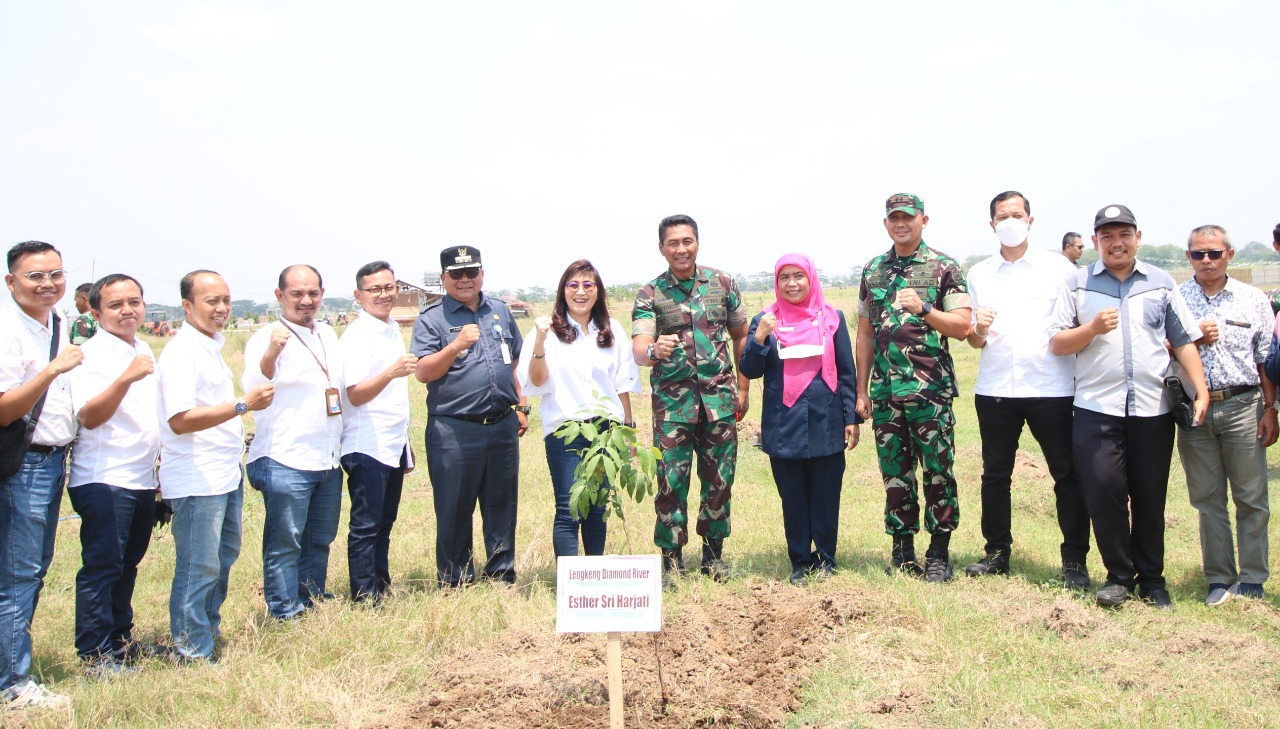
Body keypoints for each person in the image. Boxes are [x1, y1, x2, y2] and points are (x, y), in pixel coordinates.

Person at [1050, 204, 1209, 609]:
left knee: (1150, 496)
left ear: (1138, 237)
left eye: (1124, 235)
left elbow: (1184, 340)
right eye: (1107, 236)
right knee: (1104, 492)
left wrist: (1201, 390)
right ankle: (1119, 575)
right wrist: (1090, 329)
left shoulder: (1160, 282)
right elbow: (1057, 343)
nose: (1116, 243)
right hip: (1096, 407)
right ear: (1096, 241)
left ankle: (1153, 581)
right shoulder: (1078, 283)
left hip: (1152, 409)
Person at [963, 192, 1092, 588]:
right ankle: (997, 553)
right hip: (996, 388)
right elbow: (974, 340)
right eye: (1003, 217)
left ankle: (1074, 561)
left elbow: (1078, 325)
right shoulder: (980, 274)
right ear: (992, 225)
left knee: (1067, 475)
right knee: (995, 475)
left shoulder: (1061, 269)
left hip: (1052, 387)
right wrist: (979, 329)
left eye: (1017, 215)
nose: (1010, 221)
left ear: (1031, 220)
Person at [856, 193, 972, 582]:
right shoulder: (873, 270)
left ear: (924, 220)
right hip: (886, 393)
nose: (900, 223)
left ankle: (939, 551)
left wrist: (924, 309)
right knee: (895, 473)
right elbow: (866, 334)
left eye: (908, 217)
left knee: (938, 471)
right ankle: (902, 549)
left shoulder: (944, 267)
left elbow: (962, 327)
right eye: (893, 218)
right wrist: (861, 390)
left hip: (930, 391)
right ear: (885, 223)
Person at [158, 270, 272, 661]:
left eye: (225, 300)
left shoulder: (209, 346)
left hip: (223, 473)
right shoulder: (181, 352)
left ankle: (206, 632)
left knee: (222, 559)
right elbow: (180, 419)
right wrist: (243, 405)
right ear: (187, 306)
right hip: (196, 476)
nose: (221, 308)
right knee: (198, 565)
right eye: (211, 301)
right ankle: (191, 650)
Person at [631, 214, 749, 582]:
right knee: (670, 482)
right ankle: (671, 561)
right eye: (673, 243)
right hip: (673, 407)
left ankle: (713, 557)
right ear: (661, 248)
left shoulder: (722, 283)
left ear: (697, 242)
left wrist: (743, 388)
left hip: (719, 403)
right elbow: (639, 347)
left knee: (719, 481)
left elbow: (741, 334)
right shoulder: (650, 293)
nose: (681, 249)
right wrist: (653, 350)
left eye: (687, 241)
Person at [411, 246, 529, 587]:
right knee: (453, 508)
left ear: (481, 274)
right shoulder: (432, 319)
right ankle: (455, 581)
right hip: (455, 428)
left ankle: (500, 575)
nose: (465, 280)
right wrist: (454, 346)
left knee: (502, 506)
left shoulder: (500, 311)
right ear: (444, 277)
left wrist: (520, 407)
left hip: (502, 425)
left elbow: (514, 363)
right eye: (456, 274)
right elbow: (423, 372)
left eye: (471, 272)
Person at [739, 253, 860, 585]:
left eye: (798, 276)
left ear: (811, 279)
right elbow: (749, 369)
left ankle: (826, 558)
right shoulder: (765, 320)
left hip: (827, 419)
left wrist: (851, 417)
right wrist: (760, 338)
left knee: (826, 492)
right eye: (784, 278)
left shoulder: (832, 318)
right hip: (783, 423)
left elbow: (847, 371)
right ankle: (800, 561)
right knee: (792, 496)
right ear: (776, 283)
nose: (792, 284)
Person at [1176, 225, 1276, 606]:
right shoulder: (1177, 298)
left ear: (1229, 255)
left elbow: (1265, 358)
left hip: (1243, 405)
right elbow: (1161, 348)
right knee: (1207, 498)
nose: (1206, 261)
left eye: (1214, 253)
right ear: (1188, 258)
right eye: (1198, 254)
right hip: (1195, 410)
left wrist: (1271, 409)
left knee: (1251, 497)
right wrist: (1193, 338)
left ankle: (1252, 578)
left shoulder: (1252, 299)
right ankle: (1219, 578)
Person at [66, 274, 160, 676]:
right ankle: (95, 655)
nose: (127, 310)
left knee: (128, 564)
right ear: (95, 310)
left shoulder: (141, 348)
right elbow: (89, 416)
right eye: (116, 304)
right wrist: (125, 378)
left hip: (139, 478)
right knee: (102, 566)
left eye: (134, 302)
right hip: (104, 478)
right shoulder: (91, 355)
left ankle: (121, 641)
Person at [0, 241, 80, 710]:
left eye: (55, 273)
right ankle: (13, 684)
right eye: (35, 275)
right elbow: (6, 407)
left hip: (53, 460)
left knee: (33, 567)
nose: (48, 283)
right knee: (19, 572)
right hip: (25, 463)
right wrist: (53, 369)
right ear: (11, 282)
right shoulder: (9, 329)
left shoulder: (56, 322)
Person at [517, 260, 640, 558]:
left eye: (588, 285)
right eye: (573, 285)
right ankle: (571, 585)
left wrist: (628, 430)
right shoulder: (547, 331)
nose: (581, 292)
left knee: (598, 506)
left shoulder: (610, 331)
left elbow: (621, 384)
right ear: (563, 291)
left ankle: (593, 575)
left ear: (598, 291)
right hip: (565, 430)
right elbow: (536, 381)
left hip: (606, 432)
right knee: (570, 508)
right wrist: (541, 343)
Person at [243, 265, 343, 619]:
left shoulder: (327, 334)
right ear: (279, 295)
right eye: (297, 294)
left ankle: (310, 597)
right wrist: (271, 352)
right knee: (286, 541)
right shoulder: (267, 336)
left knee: (320, 537)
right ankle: (284, 609)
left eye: (313, 293)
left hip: (328, 457)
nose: (306, 301)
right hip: (287, 456)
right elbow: (257, 383)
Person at [338, 262, 417, 604]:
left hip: (392, 440)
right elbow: (355, 393)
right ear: (359, 296)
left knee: (385, 520)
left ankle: (380, 586)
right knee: (366, 524)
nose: (384, 295)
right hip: (366, 442)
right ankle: (364, 594)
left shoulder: (389, 328)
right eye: (375, 289)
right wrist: (391, 372)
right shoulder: (357, 335)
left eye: (389, 287)